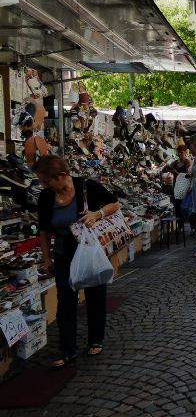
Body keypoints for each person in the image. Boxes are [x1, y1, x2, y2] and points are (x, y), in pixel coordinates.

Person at [34, 155, 120, 367]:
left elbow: (115, 204)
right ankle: (67, 350)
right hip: (64, 250)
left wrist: (97, 214)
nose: (45, 186)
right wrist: (47, 258)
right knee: (65, 300)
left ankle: (96, 339)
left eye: (47, 181)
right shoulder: (46, 196)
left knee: (95, 294)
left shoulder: (86, 186)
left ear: (62, 176)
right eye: (43, 182)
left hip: (90, 248)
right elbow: (44, 229)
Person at [164, 145, 193, 230]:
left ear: (185, 153)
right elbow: (164, 170)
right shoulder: (175, 162)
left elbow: (187, 176)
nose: (179, 154)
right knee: (177, 207)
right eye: (178, 152)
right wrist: (167, 168)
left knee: (188, 207)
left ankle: (193, 227)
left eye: (181, 152)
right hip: (177, 188)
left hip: (185, 187)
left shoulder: (188, 162)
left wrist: (176, 172)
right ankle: (180, 226)